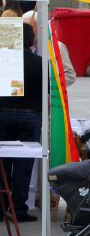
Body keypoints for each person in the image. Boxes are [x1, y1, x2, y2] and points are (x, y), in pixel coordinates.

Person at [0, 23, 42, 222]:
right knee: (24, 165)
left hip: (4, 113)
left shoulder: (5, 62)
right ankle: (18, 208)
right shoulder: (39, 62)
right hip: (30, 115)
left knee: (3, 163)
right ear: (31, 40)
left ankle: (1, 207)